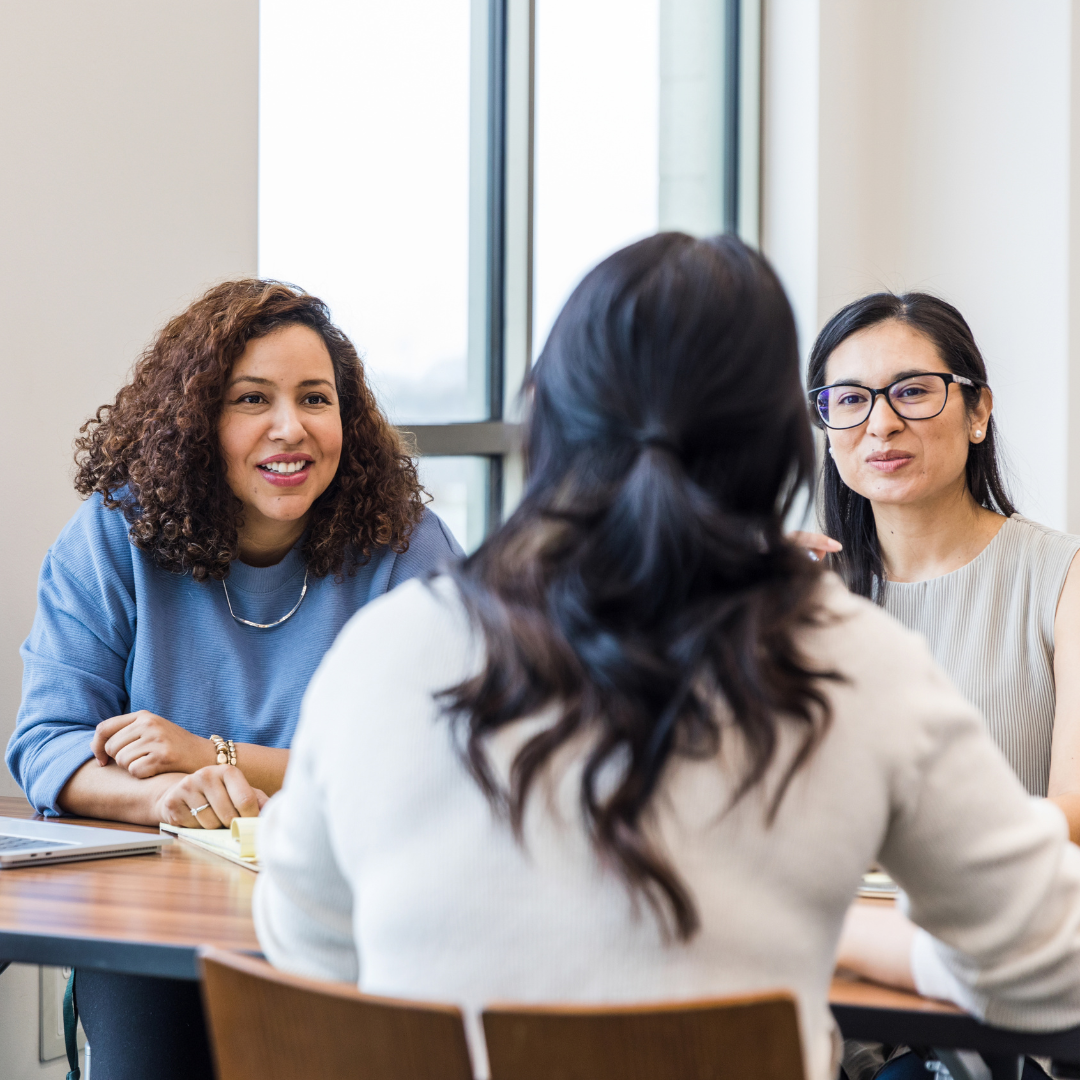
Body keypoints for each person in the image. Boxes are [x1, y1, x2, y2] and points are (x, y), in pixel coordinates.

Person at [253, 234, 1080, 1080]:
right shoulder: (847, 660)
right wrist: (875, 939)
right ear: (782, 441)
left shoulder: (391, 647)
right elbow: (1059, 969)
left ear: (551, 417)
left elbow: (304, 945)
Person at [9, 279, 462, 1080]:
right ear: (196, 422)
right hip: (152, 919)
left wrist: (211, 756)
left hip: (353, 907)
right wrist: (163, 797)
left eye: (315, 399)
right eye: (253, 398)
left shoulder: (407, 548)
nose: (291, 428)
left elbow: (437, 768)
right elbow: (46, 742)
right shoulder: (115, 536)